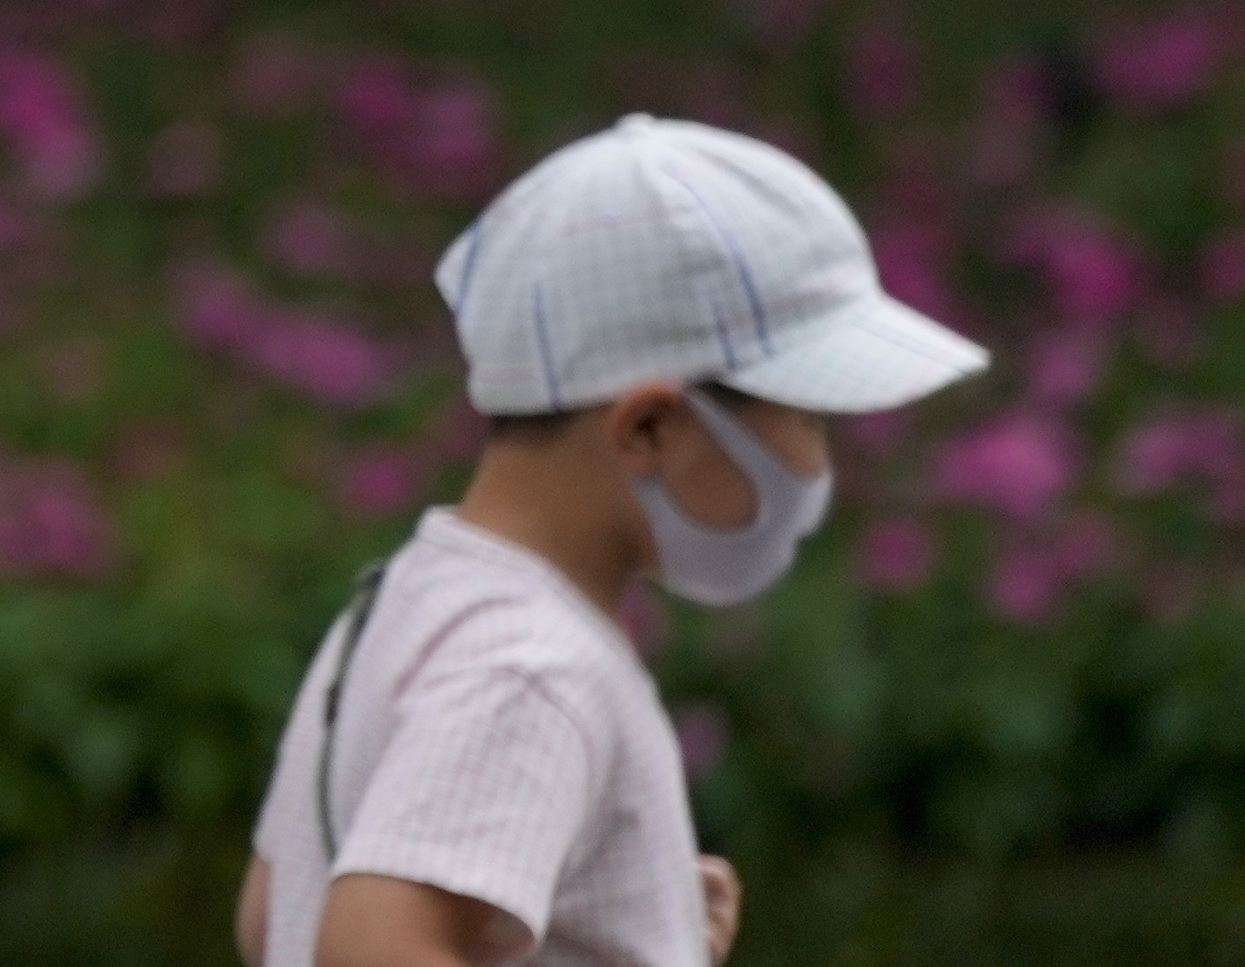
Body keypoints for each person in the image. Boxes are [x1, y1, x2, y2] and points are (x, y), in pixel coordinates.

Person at [237, 115, 990, 967]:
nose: (821, 464)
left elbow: (279, 917)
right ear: (649, 427)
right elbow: (369, 948)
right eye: (810, 418)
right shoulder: (533, 668)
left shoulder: (394, 606)